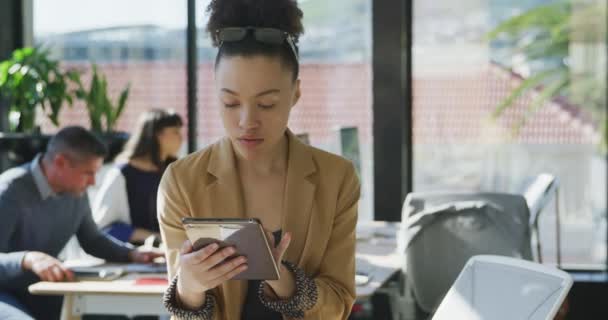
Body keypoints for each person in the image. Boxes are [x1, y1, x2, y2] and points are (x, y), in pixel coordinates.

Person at [157, 0, 360, 319]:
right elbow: (183, 313)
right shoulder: (183, 181)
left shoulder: (336, 178)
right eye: (230, 102)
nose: (246, 121)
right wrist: (190, 288)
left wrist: (284, 280)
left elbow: (339, 303)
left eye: (266, 104)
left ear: (295, 93)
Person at [0, 126, 162, 320]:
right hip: (5, 292)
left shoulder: (75, 191)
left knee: (113, 317)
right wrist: (27, 259)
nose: (93, 182)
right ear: (60, 162)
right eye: (88, 173)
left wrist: (131, 253)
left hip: (43, 288)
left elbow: (92, 239)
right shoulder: (9, 190)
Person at [93, 109, 183, 246]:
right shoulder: (121, 174)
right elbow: (103, 229)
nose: (181, 138)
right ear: (158, 135)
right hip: (133, 261)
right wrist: (155, 237)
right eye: (175, 132)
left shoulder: (174, 172)